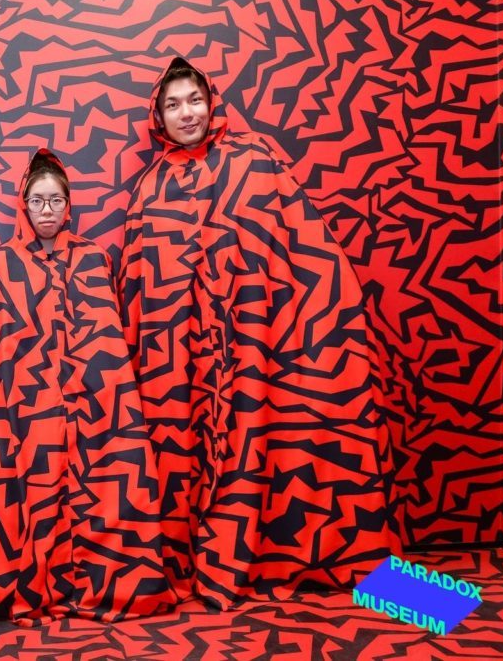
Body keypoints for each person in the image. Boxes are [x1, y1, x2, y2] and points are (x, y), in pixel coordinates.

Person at [118, 56, 401, 608]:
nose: (186, 113)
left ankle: (401, 591)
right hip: (189, 366)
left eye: (194, 99)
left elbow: (301, 242)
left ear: (212, 101)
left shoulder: (255, 157)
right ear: (158, 115)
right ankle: (214, 561)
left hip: (262, 343)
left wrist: (324, 311)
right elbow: (142, 285)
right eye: (172, 104)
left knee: (281, 444)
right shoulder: (150, 187)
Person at [0, 149, 175, 626]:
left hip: (94, 409)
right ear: (23, 203)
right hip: (28, 412)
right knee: (35, 494)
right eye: (38, 201)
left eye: (56, 201)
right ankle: (40, 583)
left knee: (104, 487)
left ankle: (105, 584)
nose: (47, 211)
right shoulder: (2, 263)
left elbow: (110, 338)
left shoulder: (94, 258)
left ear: (68, 205)